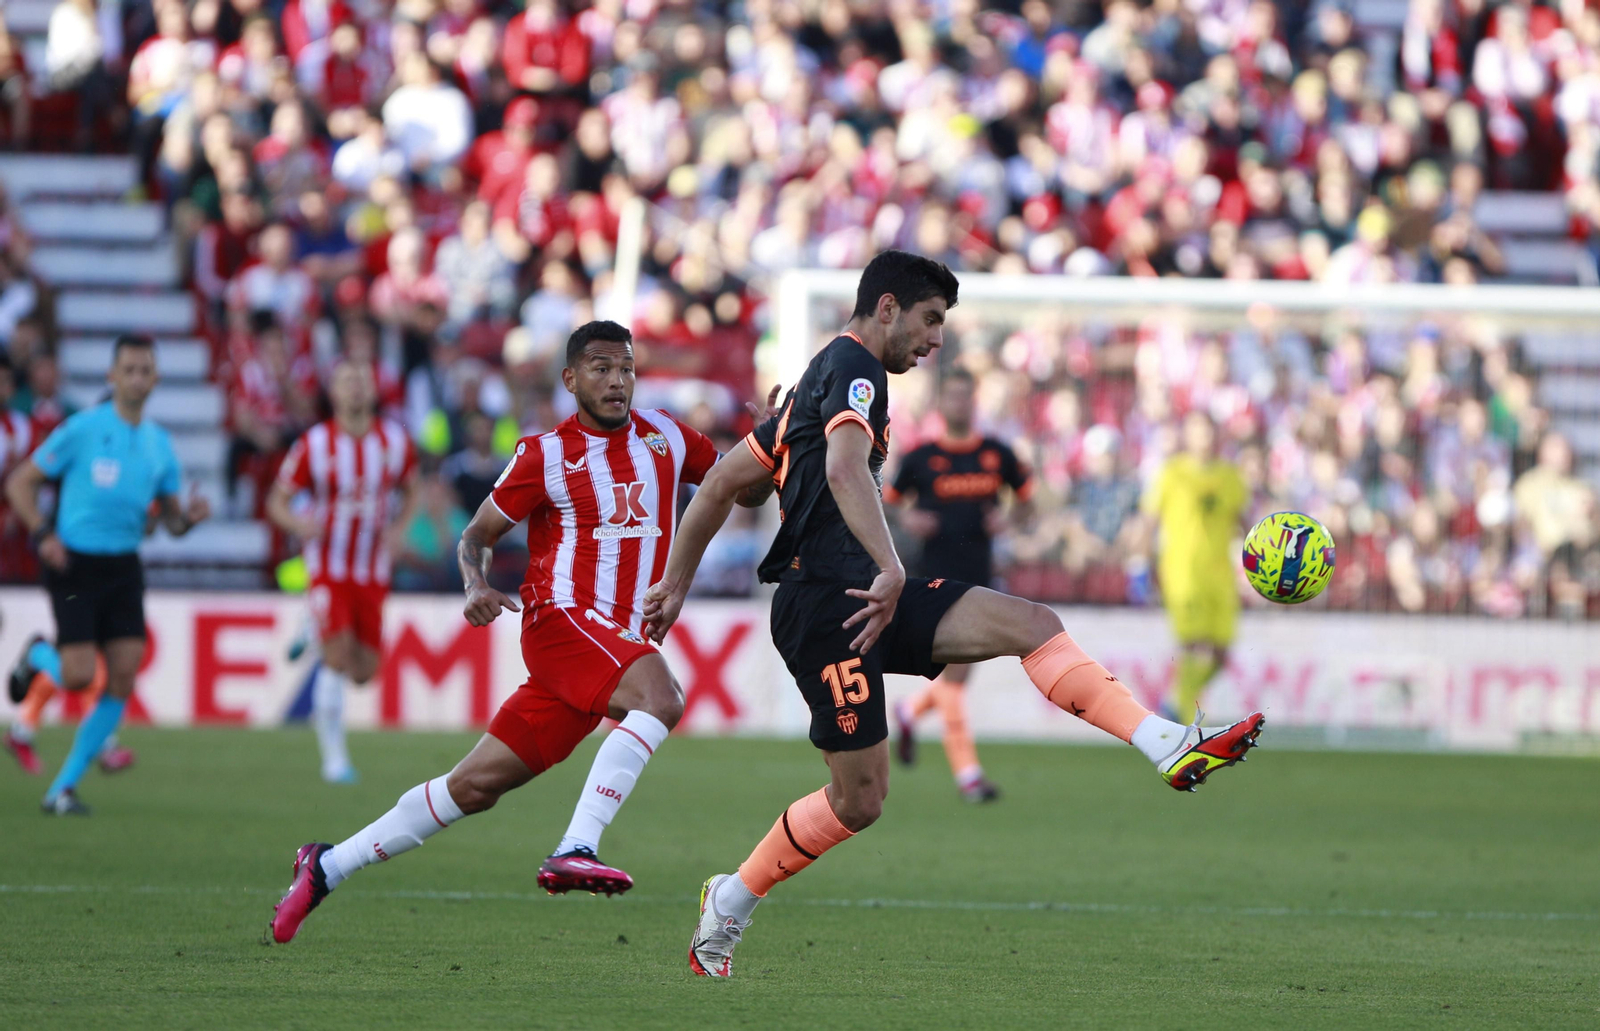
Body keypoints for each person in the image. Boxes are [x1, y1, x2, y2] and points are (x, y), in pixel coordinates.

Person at [640, 251, 1265, 978]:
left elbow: (728, 485)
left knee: (1030, 622)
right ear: (885, 308)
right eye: (930, 320)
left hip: (869, 593)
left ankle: (1164, 741)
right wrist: (889, 562)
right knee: (860, 799)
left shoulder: (818, 380)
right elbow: (835, 471)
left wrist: (677, 581)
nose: (935, 339)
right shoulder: (854, 367)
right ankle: (732, 900)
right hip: (827, 607)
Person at [268, 320, 773, 945]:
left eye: (625, 368)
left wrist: (768, 441)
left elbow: (742, 493)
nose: (616, 380)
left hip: (611, 643)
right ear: (570, 379)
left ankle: (326, 866)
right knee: (661, 698)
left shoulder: (668, 435)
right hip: (560, 622)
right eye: (599, 367)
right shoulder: (545, 455)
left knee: (472, 788)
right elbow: (475, 535)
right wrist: (476, 585)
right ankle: (577, 845)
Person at [3, 335, 209, 814]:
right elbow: (20, 483)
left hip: (123, 566)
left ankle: (62, 790)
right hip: (74, 562)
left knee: (121, 677)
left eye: (145, 370)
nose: (138, 378)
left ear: (155, 379)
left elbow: (170, 523)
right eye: (129, 369)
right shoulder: (82, 428)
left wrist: (189, 520)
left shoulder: (160, 445)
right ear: (112, 376)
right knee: (76, 677)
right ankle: (37, 653)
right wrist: (41, 533)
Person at [265, 360, 420, 784]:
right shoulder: (314, 444)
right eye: (346, 381)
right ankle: (334, 760)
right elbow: (276, 503)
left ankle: (311, 628)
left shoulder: (393, 441)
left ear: (373, 390)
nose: (354, 389)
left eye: (361, 381)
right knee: (336, 661)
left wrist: (400, 529)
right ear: (333, 392)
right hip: (327, 568)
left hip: (372, 570)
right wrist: (300, 524)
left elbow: (412, 489)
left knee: (363, 671)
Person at [885, 367, 1032, 802]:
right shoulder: (920, 457)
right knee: (953, 679)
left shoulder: (997, 454)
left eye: (966, 396)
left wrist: (1010, 519)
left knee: (958, 676)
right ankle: (969, 775)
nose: (959, 404)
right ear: (941, 404)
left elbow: (1027, 496)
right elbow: (887, 502)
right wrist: (908, 519)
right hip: (932, 580)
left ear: (975, 402)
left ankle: (909, 712)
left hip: (980, 577)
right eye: (952, 396)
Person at [1141, 410, 1250, 722]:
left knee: (1221, 653)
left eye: (1209, 430)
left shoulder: (1230, 476)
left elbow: (1245, 526)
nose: (1204, 436)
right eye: (1197, 430)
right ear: (1186, 435)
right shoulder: (1172, 473)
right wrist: (1141, 563)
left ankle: (1175, 702)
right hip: (1182, 573)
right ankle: (1185, 722)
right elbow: (1150, 521)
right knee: (1193, 645)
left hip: (1220, 576)